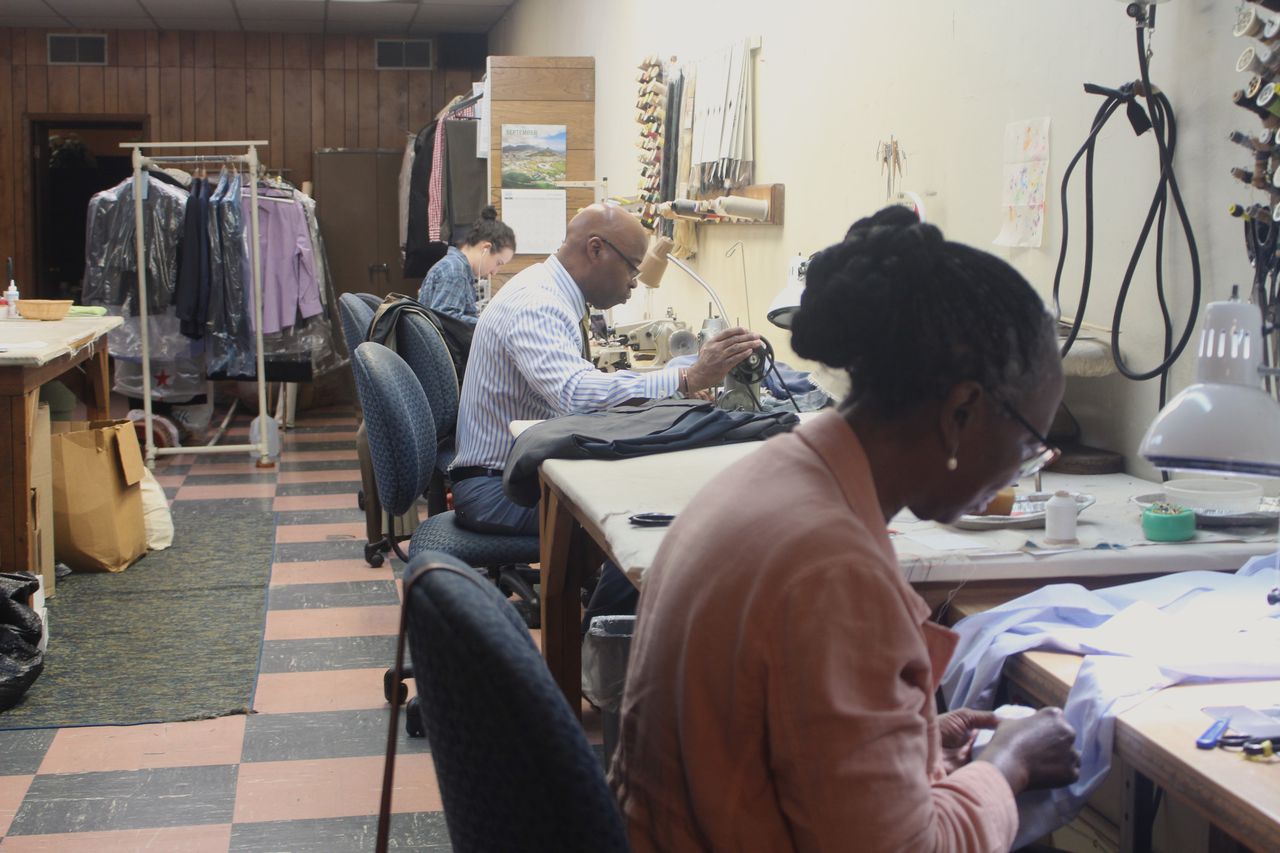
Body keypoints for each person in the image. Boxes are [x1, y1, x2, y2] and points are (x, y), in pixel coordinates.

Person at [610, 206, 1080, 852]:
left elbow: (780, 734)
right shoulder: (835, 569)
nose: (1019, 470)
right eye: (1030, 443)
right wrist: (1008, 765)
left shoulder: (775, 477)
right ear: (962, 410)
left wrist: (913, 739)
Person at [449, 202, 760, 537]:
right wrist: (685, 379)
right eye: (632, 268)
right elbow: (575, 395)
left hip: (515, 476)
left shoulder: (550, 291)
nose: (635, 283)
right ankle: (618, 589)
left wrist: (675, 385)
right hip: (498, 491)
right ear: (596, 249)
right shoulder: (537, 305)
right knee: (651, 519)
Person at [416, 206, 515, 325]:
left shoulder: (456, 267)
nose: (494, 272)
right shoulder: (455, 270)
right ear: (486, 248)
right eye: (498, 263)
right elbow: (445, 319)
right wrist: (490, 323)